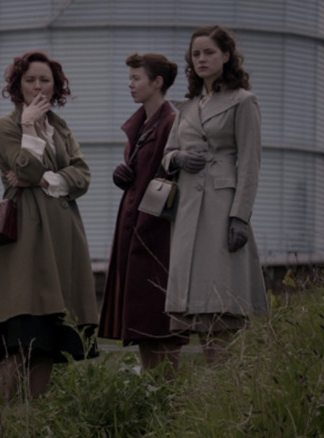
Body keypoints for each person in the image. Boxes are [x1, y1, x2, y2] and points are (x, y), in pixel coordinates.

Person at [0, 51, 99, 400]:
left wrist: (45, 179)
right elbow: (24, 170)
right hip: (27, 237)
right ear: (17, 86)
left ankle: (32, 420)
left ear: (56, 86)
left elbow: (83, 177)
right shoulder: (5, 126)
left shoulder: (62, 128)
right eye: (30, 80)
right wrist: (28, 129)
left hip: (65, 237)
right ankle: (4, 420)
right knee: (20, 334)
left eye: (45, 80)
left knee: (50, 338)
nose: (38, 86)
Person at [161, 25, 268, 365]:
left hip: (222, 209)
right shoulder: (188, 106)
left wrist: (240, 215)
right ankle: (212, 392)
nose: (202, 59)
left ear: (226, 56)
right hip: (188, 210)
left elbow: (250, 163)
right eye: (196, 54)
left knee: (221, 305)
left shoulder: (243, 101)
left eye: (209, 52)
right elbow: (167, 155)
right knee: (195, 308)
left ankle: (228, 388)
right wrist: (177, 158)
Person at [98, 53, 186, 376]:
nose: (130, 84)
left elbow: (172, 178)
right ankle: (153, 396)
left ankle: (167, 401)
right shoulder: (142, 125)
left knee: (160, 323)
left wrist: (148, 221)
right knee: (143, 325)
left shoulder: (171, 123)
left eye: (137, 78)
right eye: (130, 78)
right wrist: (125, 175)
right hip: (134, 230)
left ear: (157, 82)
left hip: (156, 235)